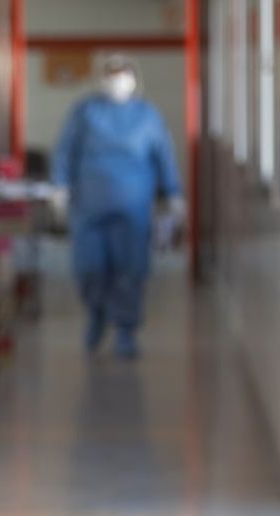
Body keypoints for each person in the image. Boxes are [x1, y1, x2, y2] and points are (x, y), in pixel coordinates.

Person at [51, 54, 184, 358]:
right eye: (111, 75)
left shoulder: (147, 116)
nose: (117, 81)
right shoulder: (85, 112)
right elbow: (66, 149)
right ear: (101, 79)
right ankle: (96, 315)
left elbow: (163, 154)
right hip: (90, 205)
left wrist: (174, 193)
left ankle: (126, 329)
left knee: (130, 269)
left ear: (134, 79)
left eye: (122, 75)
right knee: (89, 268)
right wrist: (59, 185)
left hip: (132, 206)